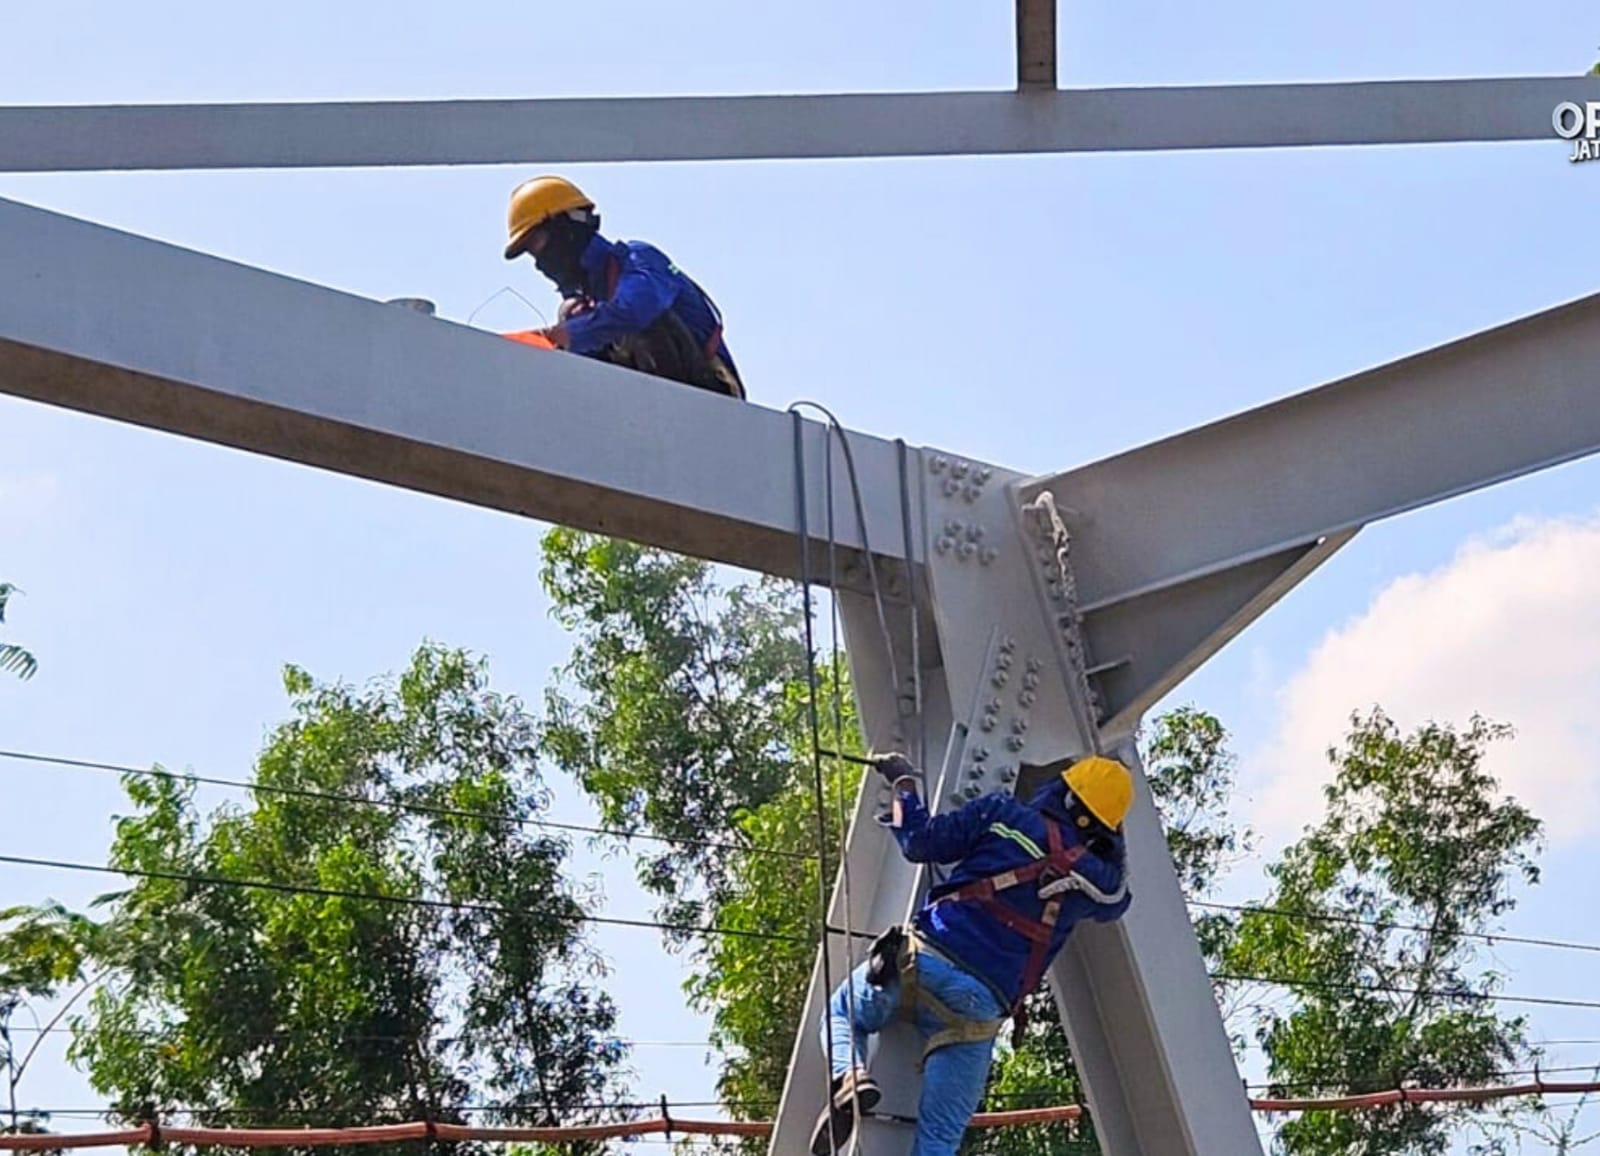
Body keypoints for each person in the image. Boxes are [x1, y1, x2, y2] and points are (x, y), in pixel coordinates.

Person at [811, 753, 1135, 1156]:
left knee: (842, 1013)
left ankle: (850, 1076)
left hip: (922, 960)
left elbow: (919, 841)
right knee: (939, 1141)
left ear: (1062, 791)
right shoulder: (1093, 878)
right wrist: (1111, 841)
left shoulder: (1002, 813)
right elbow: (1120, 898)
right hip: (978, 1010)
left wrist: (903, 785)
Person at [502, 175, 745, 399]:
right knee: (575, 320)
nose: (539, 262)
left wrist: (557, 337)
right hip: (650, 409)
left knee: (642, 322)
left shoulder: (639, 259)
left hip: (712, 391)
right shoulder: (586, 303)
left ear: (565, 229)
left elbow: (635, 310)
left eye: (538, 244)